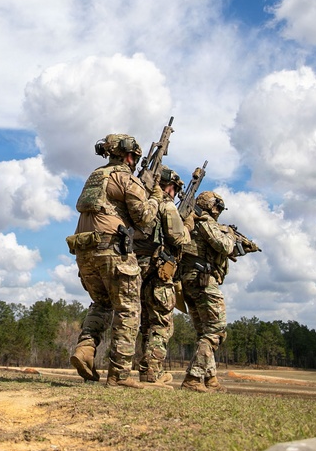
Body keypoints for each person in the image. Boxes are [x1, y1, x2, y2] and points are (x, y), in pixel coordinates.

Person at [67, 134, 162, 388]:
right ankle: (119, 375)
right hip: (112, 250)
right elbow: (144, 218)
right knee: (128, 309)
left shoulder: (95, 176)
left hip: (84, 249)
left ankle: (85, 349)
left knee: (102, 303)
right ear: (130, 156)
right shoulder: (126, 178)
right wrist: (154, 195)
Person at [180, 190, 241, 392]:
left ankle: (210, 379)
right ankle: (193, 377)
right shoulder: (204, 221)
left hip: (189, 281)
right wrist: (230, 235)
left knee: (204, 332)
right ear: (212, 206)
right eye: (219, 207)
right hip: (203, 281)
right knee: (216, 330)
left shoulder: (190, 221)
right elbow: (225, 246)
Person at [134, 167, 191, 385]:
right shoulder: (166, 205)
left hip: (138, 269)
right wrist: (187, 225)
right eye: (174, 188)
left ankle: (146, 371)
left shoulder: (142, 204)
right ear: (168, 186)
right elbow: (178, 238)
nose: (175, 193)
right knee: (162, 323)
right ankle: (152, 372)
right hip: (158, 271)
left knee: (146, 323)